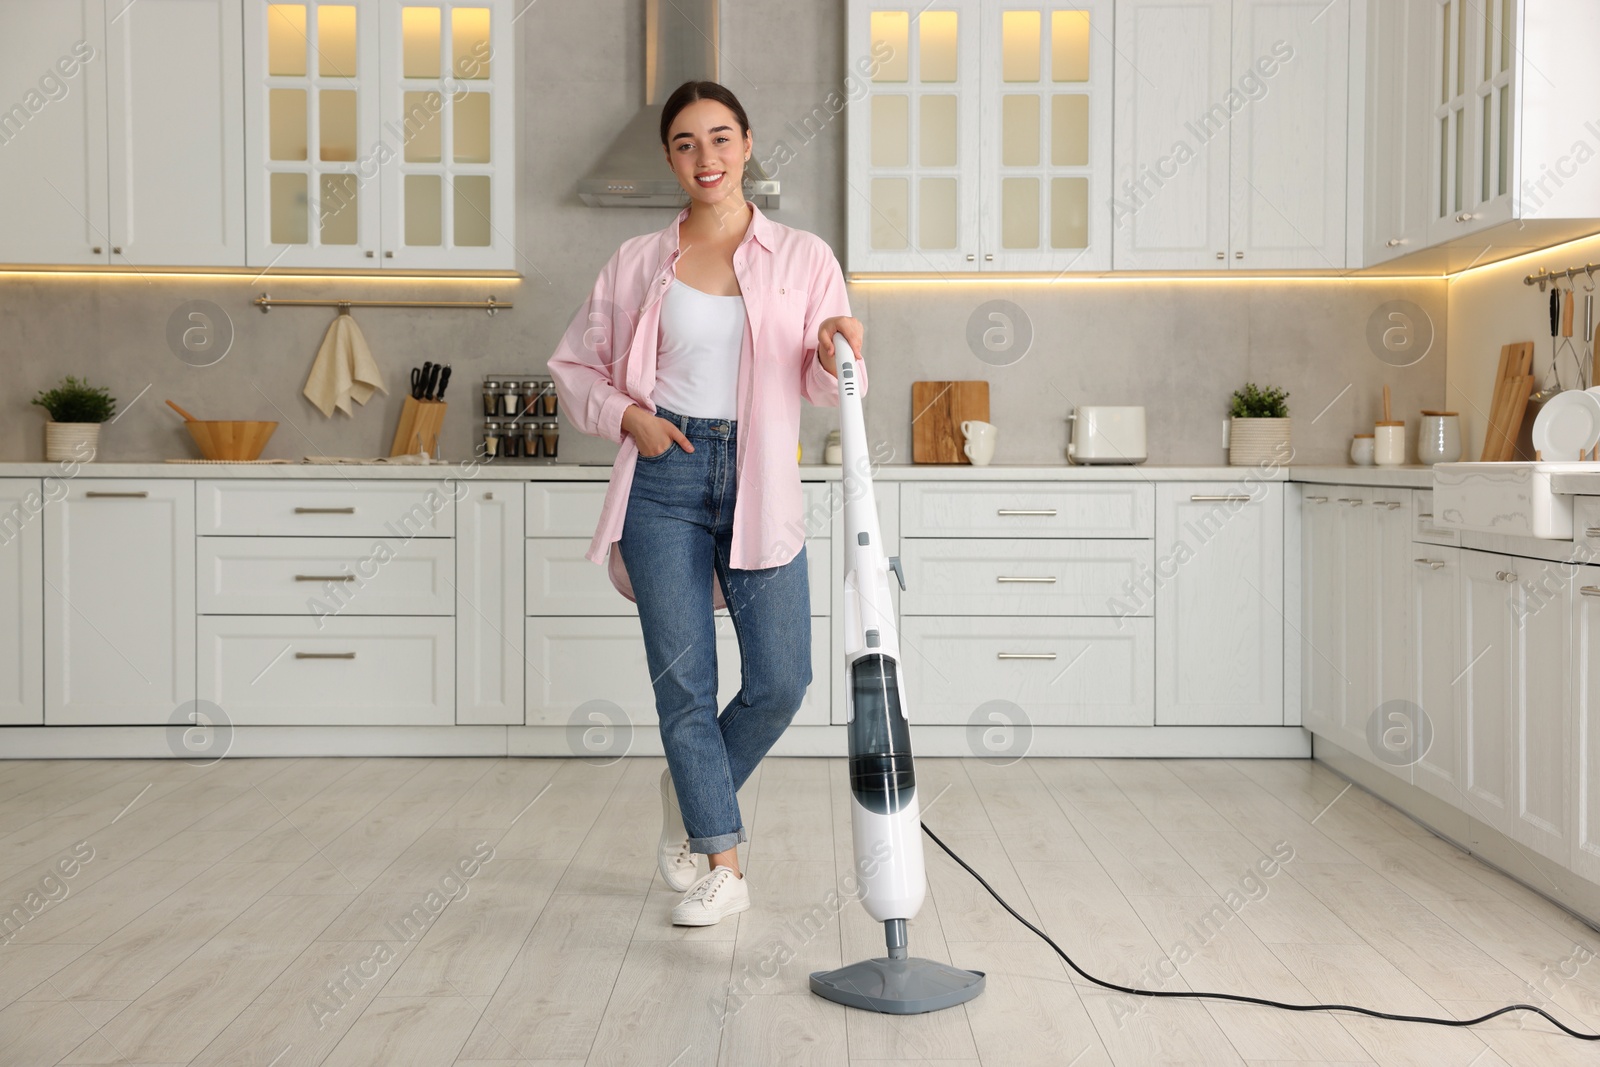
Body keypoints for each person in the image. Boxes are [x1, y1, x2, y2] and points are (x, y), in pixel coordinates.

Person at [548, 80, 868, 926]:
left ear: (749, 143)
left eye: (721, 138)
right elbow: (573, 368)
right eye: (687, 143)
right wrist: (631, 420)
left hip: (760, 475)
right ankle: (722, 860)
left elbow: (826, 379)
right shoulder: (634, 264)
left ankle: (690, 788)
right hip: (665, 476)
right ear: (669, 157)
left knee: (783, 679)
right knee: (685, 686)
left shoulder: (803, 257)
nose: (707, 158)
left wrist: (840, 346)